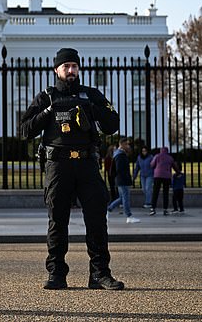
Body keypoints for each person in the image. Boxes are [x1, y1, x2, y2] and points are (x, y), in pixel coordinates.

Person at [20, 47, 124, 291]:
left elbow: (113, 125)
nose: (71, 70)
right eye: (66, 66)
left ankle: (99, 273)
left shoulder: (91, 95)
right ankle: (56, 273)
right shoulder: (46, 96)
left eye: (74, 66)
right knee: (57, 221)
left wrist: (91, 111)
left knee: (97, 220)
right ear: (56, 70)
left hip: (87, 164)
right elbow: (25, 130)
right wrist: (48, 112)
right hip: (58, 165)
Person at [107, 138, 140, 223]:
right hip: (122, 180)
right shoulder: (120, 155)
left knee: (122, 198)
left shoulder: (118, 154)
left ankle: (108, 209)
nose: (128, 146)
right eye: (126, 144)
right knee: (125, 198)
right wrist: (126, 178)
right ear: (121, 145)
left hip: (120, 179)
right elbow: (120, 169)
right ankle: (129, 216)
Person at [149, 147, 176, 216]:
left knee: (155, 192)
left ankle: (153, 208)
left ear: (160, 151)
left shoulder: (157, 156)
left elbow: (152, 165)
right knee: (165, 193)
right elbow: (174, 166)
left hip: (157, 176)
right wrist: (178, 172)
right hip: (166, 177)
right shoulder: (170, 158)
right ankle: (165, 209)